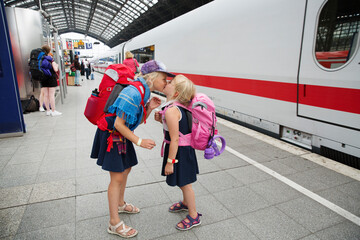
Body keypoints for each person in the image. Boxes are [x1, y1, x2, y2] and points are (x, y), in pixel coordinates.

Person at [90, 60, 175, 238]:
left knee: (126, 169)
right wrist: (139, 141)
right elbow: (120, 124)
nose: (166, 83)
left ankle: (120, 204)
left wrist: (149, 108)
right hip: (112, 135)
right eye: (164, 79)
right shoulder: (134, 92)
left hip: (120, 134)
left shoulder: (144, 91)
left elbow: (132, 120)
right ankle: (114, 223)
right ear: (152, 77)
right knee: (117, 177)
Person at [154, 75, 201, 230]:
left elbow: (175, 139)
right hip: (184, 150)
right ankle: (186, 203)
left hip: (178, 152)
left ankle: (194, 216)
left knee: (185, 184)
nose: (166, 83)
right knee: (183, 181)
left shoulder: (172, 111)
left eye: (170, 83)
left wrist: (170, 162)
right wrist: (160, 119)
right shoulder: (179, 107)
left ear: (175, 93)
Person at [39, 45, 62, 116]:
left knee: (46, 95)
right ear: (49, 51)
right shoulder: (50, 59)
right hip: (51, 78)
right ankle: (53, 111)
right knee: (51, 95)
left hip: (43, 79)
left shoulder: (40, 59)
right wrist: (57, 66)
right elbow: (55, 69)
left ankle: (48, 111)